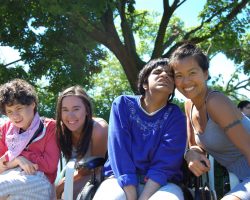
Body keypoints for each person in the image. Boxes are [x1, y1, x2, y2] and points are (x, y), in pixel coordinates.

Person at [93, 58, 187, 200]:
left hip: (162, 184)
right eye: (157, 72)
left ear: (173, 86)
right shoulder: (122, 104)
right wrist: (131, 195)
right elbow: (119, 150)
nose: (164, 75)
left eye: (170, 74)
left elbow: (166, 163)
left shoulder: (176, 116)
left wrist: (143, 198)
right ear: (145, 83)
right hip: (119, 179)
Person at [169, 43, 250, 200]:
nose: (185, 81)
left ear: (205, 73)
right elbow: (194, 145)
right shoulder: (188, 105)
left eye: (192, 72)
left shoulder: (215, 102)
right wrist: (190, 155)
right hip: (241, 176)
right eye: (179, 75)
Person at [0, 79, 60, 200]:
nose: (15, 116)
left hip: (40, 180)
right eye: (10, 111)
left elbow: (50, 165)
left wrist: (22, 156)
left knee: (3, 185)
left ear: (32, 104)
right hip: (10, 177)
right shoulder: (6, 129)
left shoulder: (50, 127)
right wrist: (17, 160)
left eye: (19, 108)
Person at [55, 85, 108, 200]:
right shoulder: (61, 130)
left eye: (76, 109)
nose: (70, 116)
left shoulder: (98, 128)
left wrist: (64, 183)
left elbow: (96, 167)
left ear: (87, 110)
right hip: (73, 174)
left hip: (99, 175)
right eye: (65, 110)